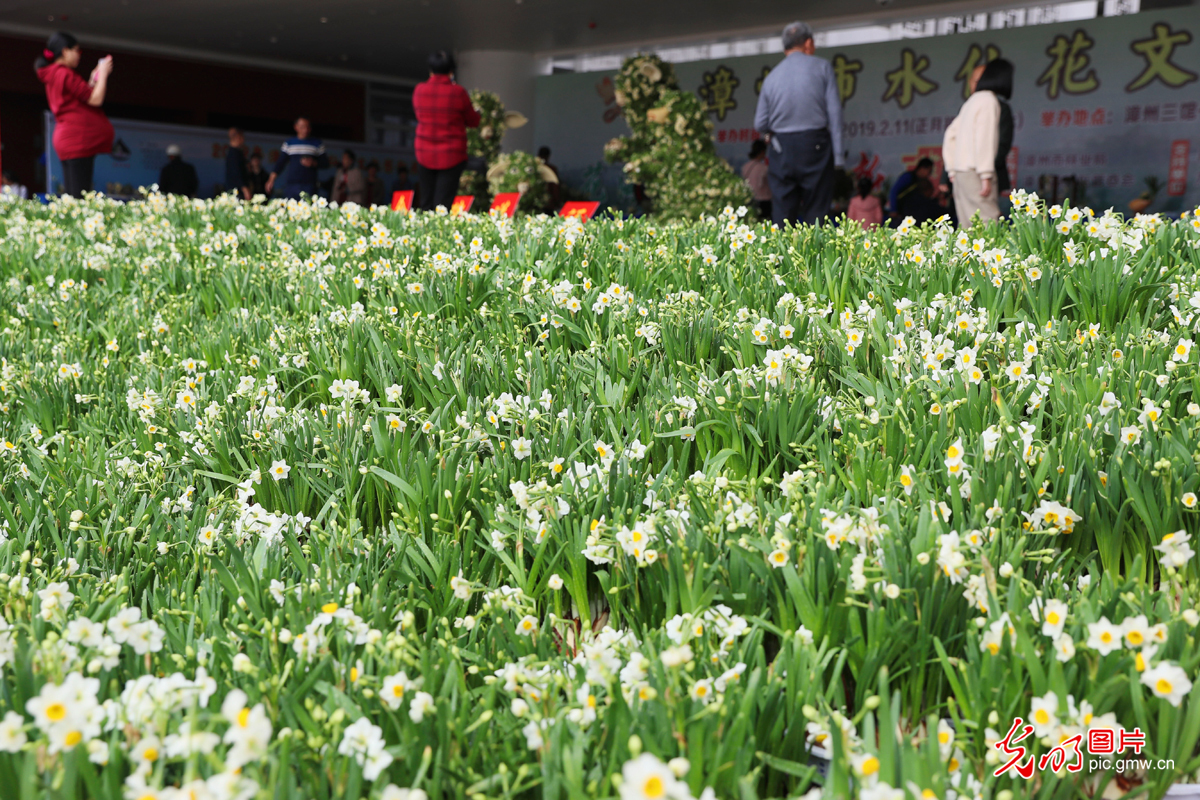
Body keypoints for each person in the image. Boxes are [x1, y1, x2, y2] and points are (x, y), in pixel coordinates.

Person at [753, 21, 844, 227]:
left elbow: (760, 123)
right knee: (817, 213)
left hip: (781, 148)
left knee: (783, 215)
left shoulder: (772, 77)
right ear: (808, 43)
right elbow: (835, 115)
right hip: (815, 146)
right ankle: (815, 259)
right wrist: (838, 158)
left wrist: (770, 135)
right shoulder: (822, 67)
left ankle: (781, 258)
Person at [35, 32, 115, 197]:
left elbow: (80, 96)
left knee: (74, 196)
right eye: (77, 51)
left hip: (69, 138)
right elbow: (96, 99)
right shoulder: (65, 73)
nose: (79, 55)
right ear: (65, 51)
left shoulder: (55, 73)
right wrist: (104, 75)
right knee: (80, 197)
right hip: (78, 140)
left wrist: (93, 80)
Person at [413, 50, 480, 211]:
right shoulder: (458, 92)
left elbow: (419, 115)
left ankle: (424, 234)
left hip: (424, 152)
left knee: (426, 203)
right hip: (452, 155)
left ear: (430, 70)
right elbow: (473, 121)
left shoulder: (420, 90)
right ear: (451, 71)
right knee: (442, 205)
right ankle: (439, 234)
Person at [943, 60, 1005, 225]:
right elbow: (984, 138)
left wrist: (951, 169)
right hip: (976, 172)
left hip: (960, 172)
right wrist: (986, 174)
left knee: (967, 225)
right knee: (987, 224)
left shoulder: (970, 102)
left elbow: (950, 135)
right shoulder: (988, 100)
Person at [978, 59, 1016, 200]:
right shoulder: (997, 105)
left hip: (966, 173)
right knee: (986, 219)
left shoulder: (970, 105)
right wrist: (985, 172)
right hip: (985, 176)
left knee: (969, 220)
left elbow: (953, 140)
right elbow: (1003, 143)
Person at [266, 117, 329, 199]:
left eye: (307, 127)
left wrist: (313, 163)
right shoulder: (289, 143)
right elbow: (280, 163)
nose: (305, 130)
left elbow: (325, 163)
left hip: (309, 184)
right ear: (296, 127)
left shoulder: (317, 143)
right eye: (302, 127)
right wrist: (271, 179)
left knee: (308, 208)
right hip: (292, 184)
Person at [741, 139, 772, 220]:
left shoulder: (745, 166)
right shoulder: (764, 168)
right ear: (762, 152)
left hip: (749, 200)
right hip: (764, 202)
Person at [225, 128, 250, 200]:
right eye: (242, 137)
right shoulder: (233, 153)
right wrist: (244, 189)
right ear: (238, 137)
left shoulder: (237, 152)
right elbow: (236, 172)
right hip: (236, 191)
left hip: (237, 190)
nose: (243, 140)